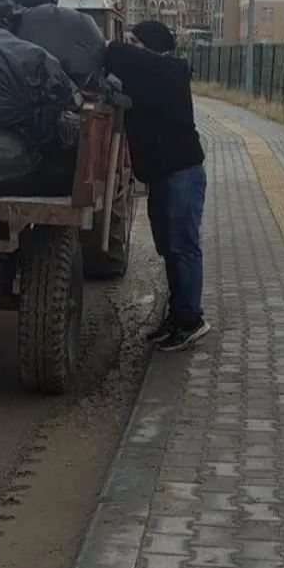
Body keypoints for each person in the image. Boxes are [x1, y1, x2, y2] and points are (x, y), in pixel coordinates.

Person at [105, 20, 209, 351]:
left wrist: (112, 46)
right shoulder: (144, 77)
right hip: (161, 178)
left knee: (183, 248)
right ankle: (177, 316)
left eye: (137, 41)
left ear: (151, 48)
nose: (129, 46)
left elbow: (118, 53)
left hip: (183, 175)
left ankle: (192, 320)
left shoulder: (171, 72)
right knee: (168, 250)